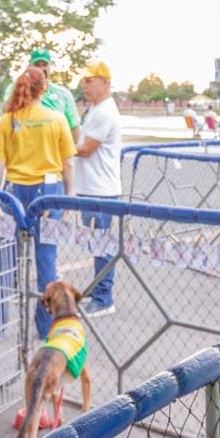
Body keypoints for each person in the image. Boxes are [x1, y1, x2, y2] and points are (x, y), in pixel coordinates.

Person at [0, 66, 76, 339]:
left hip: (13, 192)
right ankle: (46, 327)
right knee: (46, 262)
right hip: (48, 192)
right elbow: (68, 163)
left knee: (5, 260)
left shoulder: (8, 120)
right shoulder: (56, 119)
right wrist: (69, 199)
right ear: (45, 89)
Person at [73, 61, 123, 316]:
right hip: (92, 187)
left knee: (102, 244)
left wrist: (56, 147)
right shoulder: (94, 109)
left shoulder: (105, 112)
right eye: (84, 81)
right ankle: (97, 288)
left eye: (89, 80)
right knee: (96, 243)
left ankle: (104, 298)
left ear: (104, 82)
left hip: (100, 190)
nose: (85, 85)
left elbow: (86, 148)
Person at [28, 49, 81, 143]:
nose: (42, 69)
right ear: (29, 67)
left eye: (45, 65)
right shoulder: (16, 90)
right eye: (37, 65)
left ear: (50, 67)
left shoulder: (63, 93)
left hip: (56, 153)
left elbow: (74, 126)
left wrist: (71, 153)